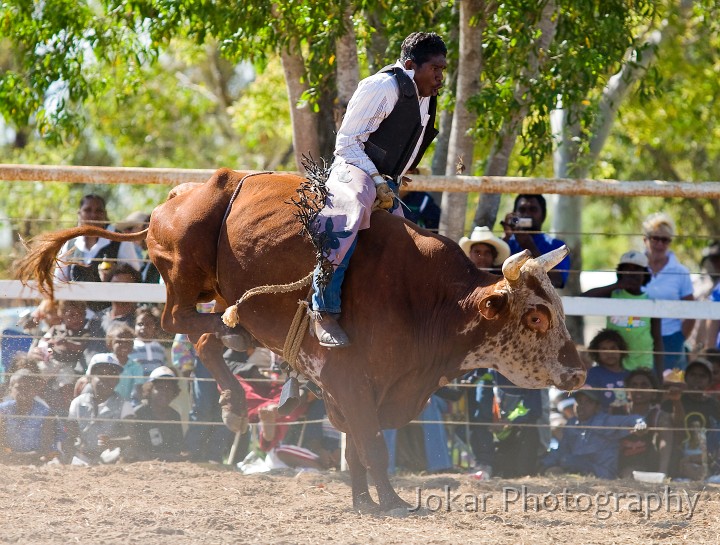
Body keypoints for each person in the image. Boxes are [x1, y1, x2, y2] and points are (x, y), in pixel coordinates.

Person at [309, 32, 448, 348]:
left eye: (443, 70)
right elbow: (346, 143)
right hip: (353, 171)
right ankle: (324, 310)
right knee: (349, 215)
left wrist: (392, 178)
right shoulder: (381, 86)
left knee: (409, 241)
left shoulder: (426, 94)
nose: (440, 77)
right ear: (411, 65)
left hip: (387, 180)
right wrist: (376, 179)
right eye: (435, 69)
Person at [583, 250, 664, 378]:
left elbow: (657, 340)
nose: (631, 274)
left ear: (645, 274)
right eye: (626, 270)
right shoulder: (613, 295)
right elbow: (583, 298)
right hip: (614, 366)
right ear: (620, 273)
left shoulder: (650, 301)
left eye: (636, 270)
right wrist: (617, 285)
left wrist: (660, 375)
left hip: (642, 367)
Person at [54, 194, 142, 313]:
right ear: (79, 213)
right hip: (77, 318)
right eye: (88, 210)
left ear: (105, 214)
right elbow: (59, 282)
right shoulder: (70, 244)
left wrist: (114, 273)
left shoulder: (120, 240)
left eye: (98, 211)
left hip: (111, 315)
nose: (93, 215)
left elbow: (135, 277)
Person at [542, 388, 646, 479]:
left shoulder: (605, 421)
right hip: (576, 475)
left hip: (602, 475)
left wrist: (640, 425)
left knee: (569, 461)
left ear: (597, 407)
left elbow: (634, 419)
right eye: (579, 401)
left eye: (588, 402)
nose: (581, 406)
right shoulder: (572, 423)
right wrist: (546, 463)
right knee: (554, 470)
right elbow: (562, 450)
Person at [641, 212, 695, 370]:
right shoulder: (633, 268)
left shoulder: (681, 272)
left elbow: (691, 310)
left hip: (671, 338)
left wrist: (680, 338)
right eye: (655, 238)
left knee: (671, 385)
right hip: (638, 336)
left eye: (665, 240)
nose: (659, 244)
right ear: (645, 240)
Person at [65, 355, 135, 464]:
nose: (106, 380)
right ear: (90, 377)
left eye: (112, 375)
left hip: (110, 460)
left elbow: (134, 439)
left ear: (117, 380)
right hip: (81, 459)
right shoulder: (78, 403)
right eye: (101, 374)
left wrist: (113, 442)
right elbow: (70, 436)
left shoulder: (124, 405)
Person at [662, 359, 720, 477]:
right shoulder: (673, 400)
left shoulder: (714, 405)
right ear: (686, 378)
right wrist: (676, 402)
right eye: (693, 375)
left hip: (706, 457)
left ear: (709, 382)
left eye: (702, 376)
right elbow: (673, 425)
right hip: (677, 454)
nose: (697, 379)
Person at [501, 194, 570, 289]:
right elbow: (491, 272)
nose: (527, 214)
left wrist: (530, 247)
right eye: (522, 210)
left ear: (543, 215)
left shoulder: (556, 246)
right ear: (514, 214)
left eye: (533, 210)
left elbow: (558, 281)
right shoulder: (506, 242)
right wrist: (505, 238)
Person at [617, 368, 673, 477]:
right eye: (634, 385)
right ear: (627, 392)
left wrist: (662, 473)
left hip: (650, 468)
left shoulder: (659, 416)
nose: (638, 389)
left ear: (654, 393)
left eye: (644, 385)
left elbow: (666, 442)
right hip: (620, 468)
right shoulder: (617, 412)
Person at [130, 366, 184, 461]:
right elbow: (138, 450)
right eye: (160, 388)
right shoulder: (139, 413)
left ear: (174, 392)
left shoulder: (175, 415)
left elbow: (177, 449)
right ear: (149, 390)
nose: (164, 392)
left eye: (169, 388)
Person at [0, 369, 55, 464]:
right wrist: (9, 454)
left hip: (36, 460)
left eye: (28, 387)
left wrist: (25, 457)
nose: (23, 391)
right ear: (10, 388)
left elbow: (46, 445)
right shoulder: (3, 410)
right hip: (7, 459)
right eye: (19, 388)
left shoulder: (45, 412)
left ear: (35, 389)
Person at [584, 329, 629, 411]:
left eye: (613, 348)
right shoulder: (593, 374)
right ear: (597, 353)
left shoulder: (630, 375)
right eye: (604, 349)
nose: (609, 353)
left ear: (621, 350)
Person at [128, 305, 167, 376]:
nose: (143, 327)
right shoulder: (130, 346)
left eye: (148, 324)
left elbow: (163, 369)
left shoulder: (160, 348)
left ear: (155, 327)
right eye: (140, 324)